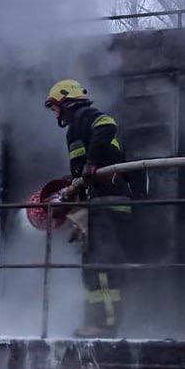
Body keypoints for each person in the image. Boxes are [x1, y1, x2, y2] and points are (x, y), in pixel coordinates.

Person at [45, 79, 131, 338]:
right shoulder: (76, 128)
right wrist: (69, 188)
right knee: (93, 264)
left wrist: (92, 163)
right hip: (100, 203)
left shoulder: (85, 116)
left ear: (66, 102)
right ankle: (98, 321)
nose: (55, 114)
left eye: (55, 107)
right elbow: (81, 172)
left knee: (101, 265)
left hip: (107, 202)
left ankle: (104, 325)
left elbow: (107, 125)